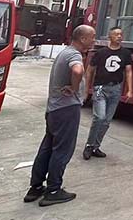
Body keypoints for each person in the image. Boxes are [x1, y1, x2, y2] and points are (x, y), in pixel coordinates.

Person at [24, 24, 96, 206]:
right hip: (66, 109)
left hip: (54, 110)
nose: (94, 40)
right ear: (83, 39)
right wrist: (74, 88)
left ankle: (36, 187)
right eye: (92, 37)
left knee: (47, 148)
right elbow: (78, 70)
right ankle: (53, 190)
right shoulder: (74, 55)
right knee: (62, 150)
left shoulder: (64, 52)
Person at [82, 25, 133, 160]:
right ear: (109, 37)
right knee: (99, 117)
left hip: (115, 89)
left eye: (121, 34)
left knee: (106, 121)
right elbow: (90, 70)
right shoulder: (101, 53)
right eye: (116, 34)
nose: (119, 36)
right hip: (100, 88)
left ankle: (96, 146)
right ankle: (89, 145)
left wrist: (130, 90)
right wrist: (87, 89)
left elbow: (128, 71)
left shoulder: (126, 53)